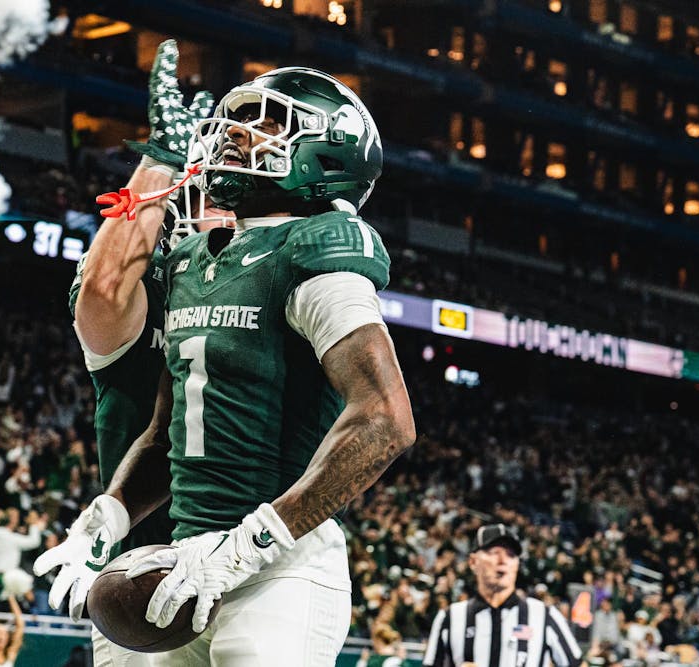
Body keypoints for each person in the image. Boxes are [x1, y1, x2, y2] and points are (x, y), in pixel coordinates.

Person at [38, 62, 418, 664]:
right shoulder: (193, 262)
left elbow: (387, 420)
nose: (238, 134)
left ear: (327, 150)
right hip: (183, 557)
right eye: (237, 120)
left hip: (276, 565)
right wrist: (107, 516)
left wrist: (250, 543)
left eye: (267, 122)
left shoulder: (318, 246)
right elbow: (167, 436)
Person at [37, 39, 226, 666]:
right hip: (138, 569)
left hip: (244, 564)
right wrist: (164, 161)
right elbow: (105, 284)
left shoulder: (268, 284)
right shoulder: (137, 292)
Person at [423, 524, 583, 667]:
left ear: (517, 564)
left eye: (511, 555)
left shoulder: (544, 615)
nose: (503, 560)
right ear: (473, 562)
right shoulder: (450, 618)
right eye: (494, 552)